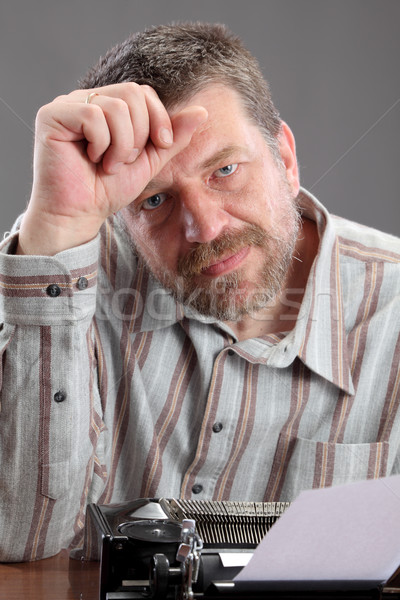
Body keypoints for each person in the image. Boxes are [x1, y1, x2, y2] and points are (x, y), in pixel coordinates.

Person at [0, 22, 399, 563]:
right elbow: (20, 539)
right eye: (156, 200)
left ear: (283, 157)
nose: (204, 228)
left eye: (225, 170)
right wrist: (53, 230)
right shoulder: (66, 279)